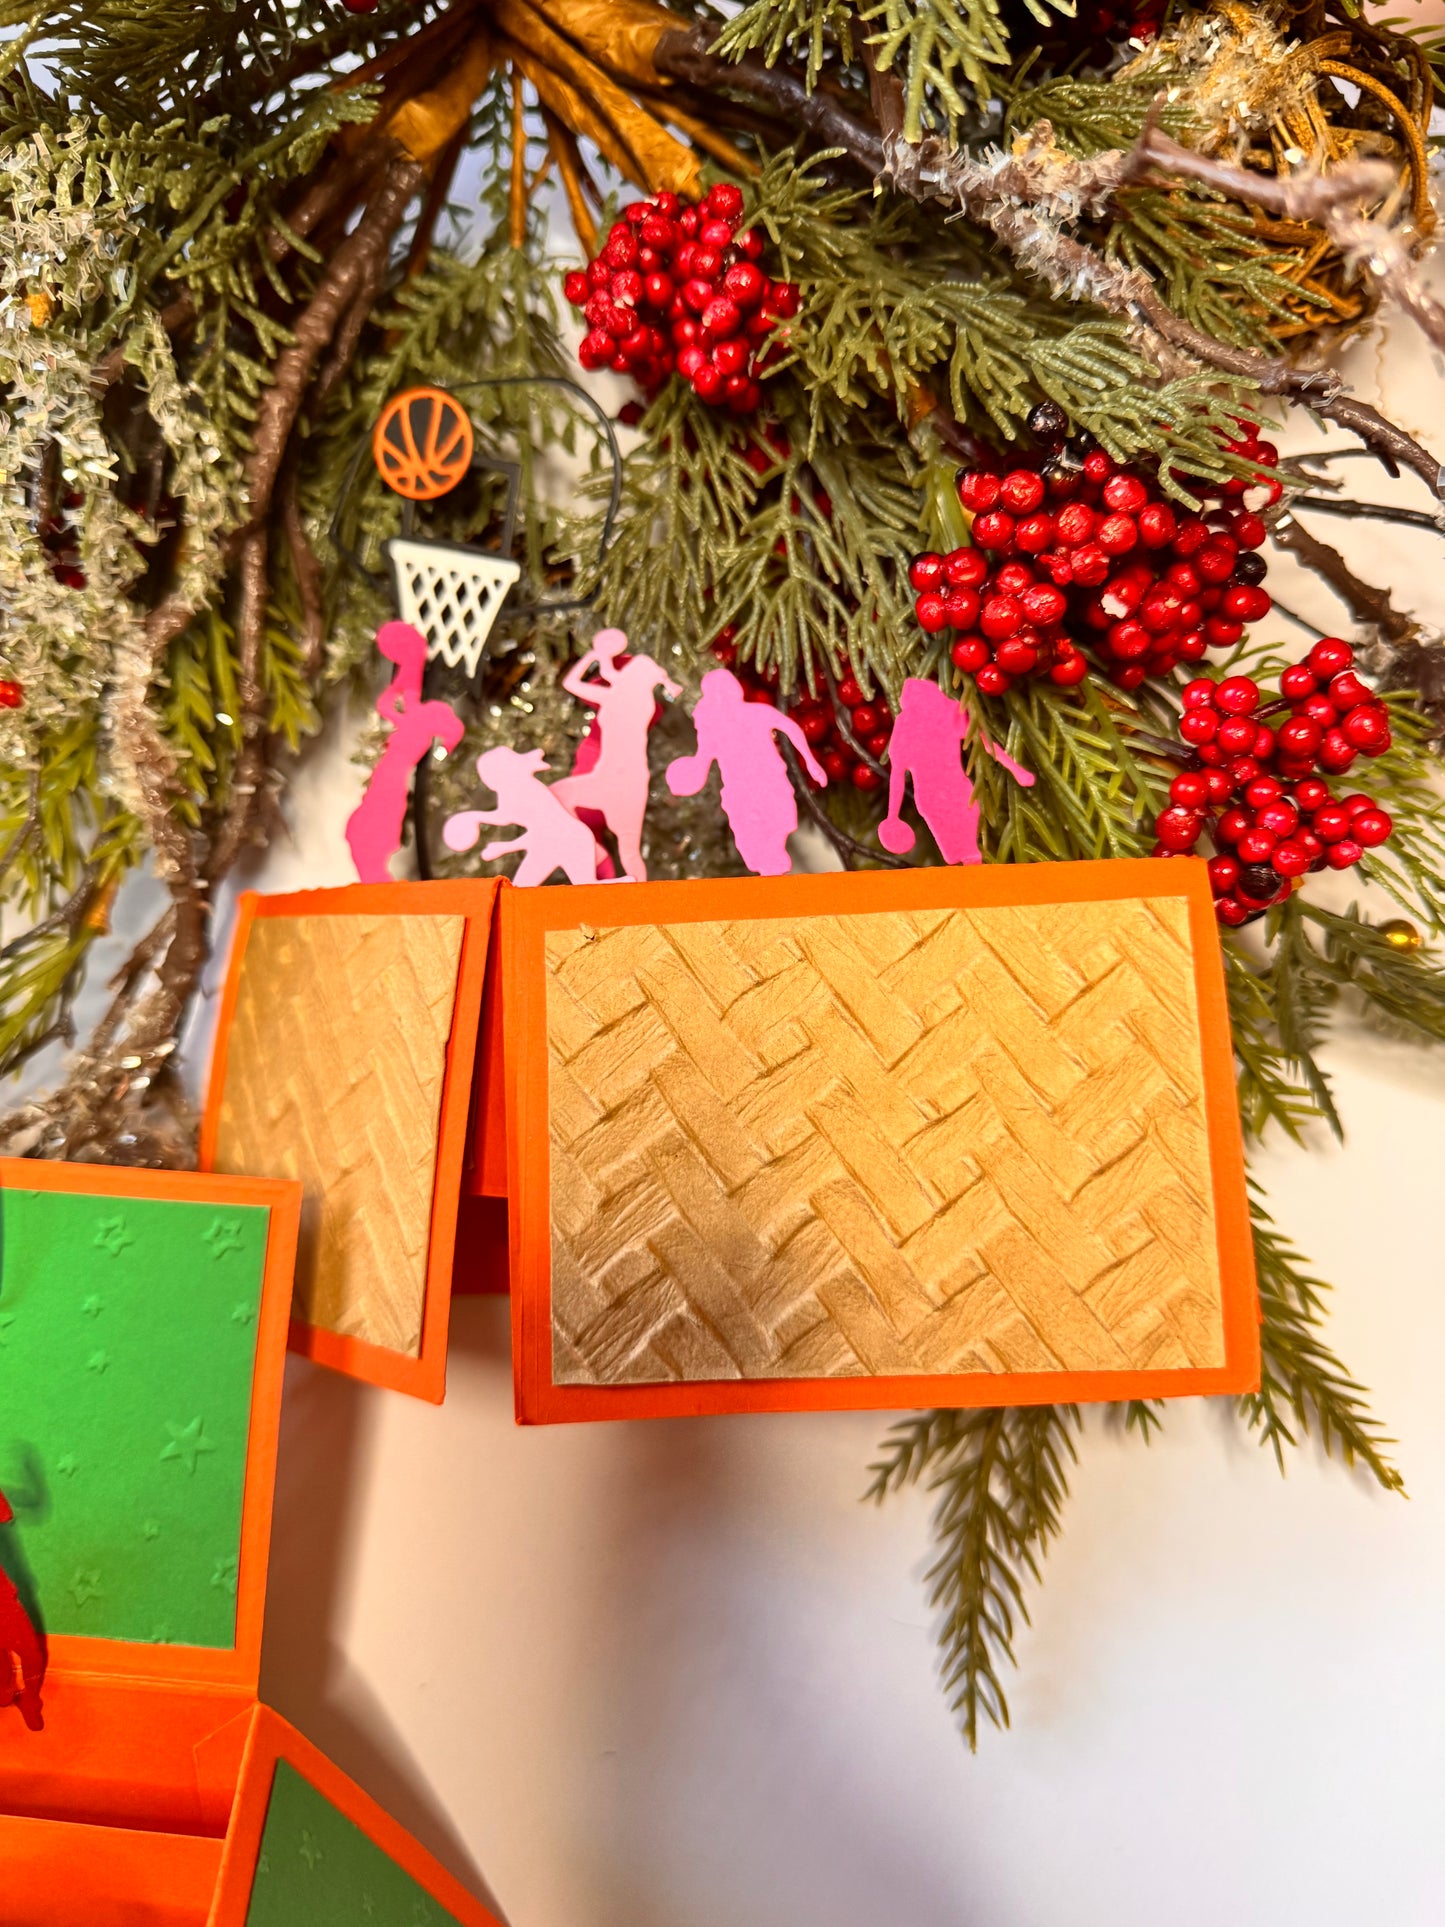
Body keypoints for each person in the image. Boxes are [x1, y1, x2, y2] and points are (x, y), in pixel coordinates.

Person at [666, 668, 827, 876]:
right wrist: (684, 778)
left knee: (776, 829)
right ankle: (770, 873)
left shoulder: (755, 713)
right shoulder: (715, 729)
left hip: (770, 785)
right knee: (753, 843)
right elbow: (702, 762)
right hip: (741, 794)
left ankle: (774, 871)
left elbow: (789, 727)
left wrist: (812, 762)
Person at [548, 630, 681, 882]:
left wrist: (594, 654)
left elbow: (571, 683)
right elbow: (612, 675)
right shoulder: (643, 702)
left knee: (555, 797)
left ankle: (594, 853)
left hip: (611, 777)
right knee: (630, 852)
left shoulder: (615, 697)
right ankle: (636, 893)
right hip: (631, 781)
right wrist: (604, 656)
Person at [345, 622, 464, 883]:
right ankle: (370, 863)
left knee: (377, 815)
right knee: (370, 816)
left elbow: (453, 731)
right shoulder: (415, 704)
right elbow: (386, 704)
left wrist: (440, 753)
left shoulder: (428, 714)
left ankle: (373, 865)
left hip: (395, 773)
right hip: (389, 768)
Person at [878, 677, 1034, 864]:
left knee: (968, 849)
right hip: (934, 798)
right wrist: (892, 815)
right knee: (957, 854)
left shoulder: (946, 715)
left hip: (958, 790)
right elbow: (898, 773)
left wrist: (1016, 769)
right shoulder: (906, 727)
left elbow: (982, 740)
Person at [443, 745, 600, 887]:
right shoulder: (512, 793)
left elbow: (546, 833)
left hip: (570, 840)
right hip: (553, 845)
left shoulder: (526, 791)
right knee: (519, 892)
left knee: (589, 889)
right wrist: (475, 818)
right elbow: (505, 817)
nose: (491, 783)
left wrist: (505, 846)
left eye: (491, 776)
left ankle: (617, 891)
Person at [0, 1488, 44, 1732]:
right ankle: (4, 1691)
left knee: (31, 1654)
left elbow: (5, 1514)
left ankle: (30, 1700)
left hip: (2, 1597)